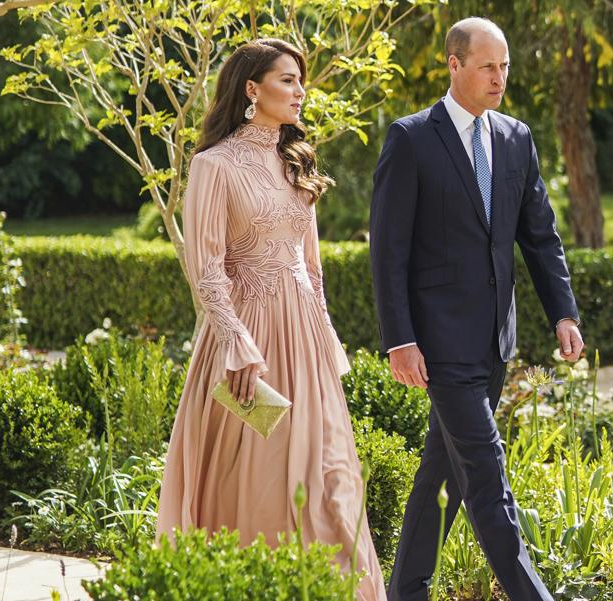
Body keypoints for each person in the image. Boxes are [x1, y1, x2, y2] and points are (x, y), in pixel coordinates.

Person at [156, 38, 386, 601]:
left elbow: (312, 267)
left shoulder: (297, 160)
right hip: (248, 343)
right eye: (288, 80)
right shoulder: (212, 166)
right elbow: (205, 266)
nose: (301, 91)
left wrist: (326, 336)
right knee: (257, 483)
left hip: (305, 341)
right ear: (252, 90)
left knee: (332, 480)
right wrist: (236, 342)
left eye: (301, 81)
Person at [370, 17, 585, 601]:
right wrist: (400, 339)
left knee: (441, 476)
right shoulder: (411, 139)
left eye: (505, 65)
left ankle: (405, 592)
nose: (500, 77)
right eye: (489, 66)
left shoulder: (515, 138)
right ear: (454, 64)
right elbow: (388, 251)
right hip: (439, 346)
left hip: (495, 342)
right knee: (488, 478)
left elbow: (539, 236)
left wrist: (562, 313)